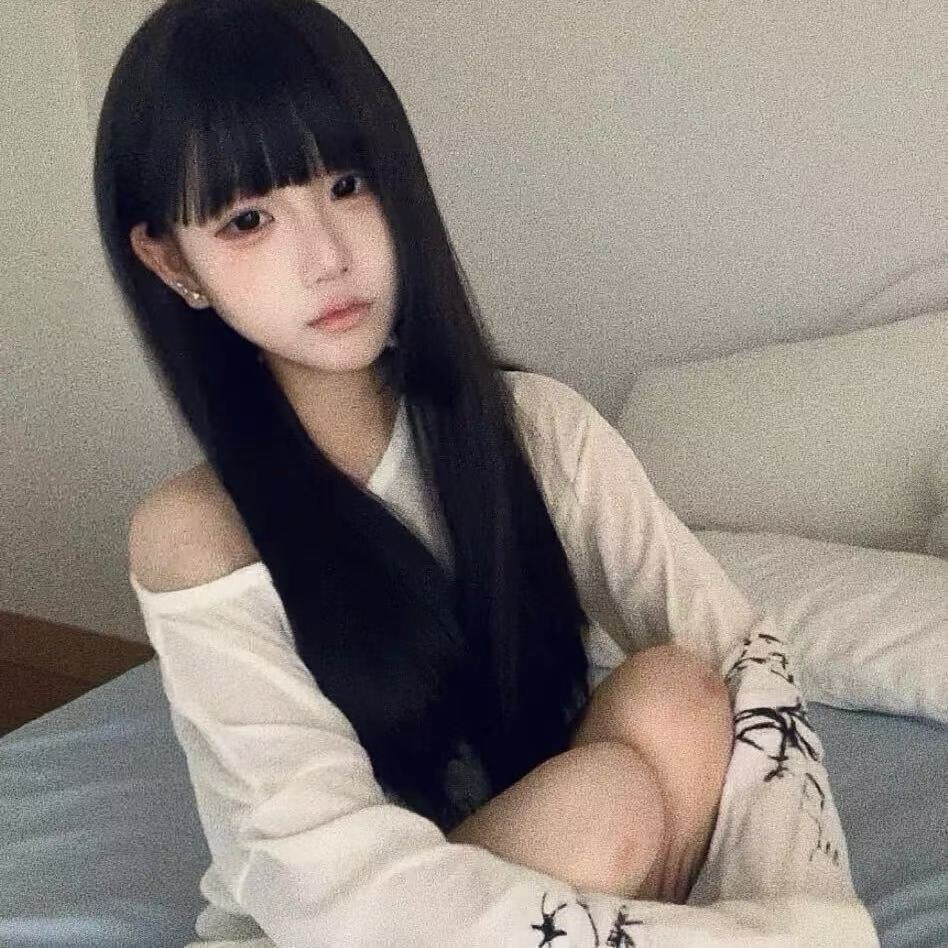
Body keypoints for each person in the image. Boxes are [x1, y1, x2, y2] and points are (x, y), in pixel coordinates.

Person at [94, 1, 877, 945]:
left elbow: (744, 663)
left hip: (549, 875)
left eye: (348, 183)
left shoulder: (534, 428)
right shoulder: (198, 531)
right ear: (172, 262)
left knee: (679, 694)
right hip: (343, 926)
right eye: (249, 218)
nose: (327, 257)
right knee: (603, 807)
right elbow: (329, 883)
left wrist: (807, 919)